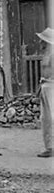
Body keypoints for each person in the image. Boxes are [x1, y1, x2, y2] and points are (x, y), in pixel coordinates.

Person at [36, 28, 54, 158]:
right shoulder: (46, 54)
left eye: (41, 40)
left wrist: (48, 80)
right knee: (45, 118)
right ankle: (49, 146)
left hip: (51, 87)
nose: (39, 42)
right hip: (45, 86)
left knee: (50, 118)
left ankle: (50, 147)